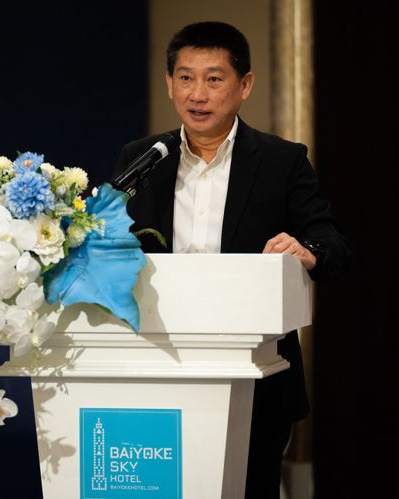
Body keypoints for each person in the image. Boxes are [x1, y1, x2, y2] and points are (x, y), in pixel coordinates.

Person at [112, 21, 352, 499]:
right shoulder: (142, 159)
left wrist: (307, 251)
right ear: (169, 83)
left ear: (245, 85)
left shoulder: (281, 161)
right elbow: (105, 240)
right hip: (157, 368)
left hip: (257, 379)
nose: (197, 94)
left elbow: (333, 245)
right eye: (185, 77)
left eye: (214, 79)